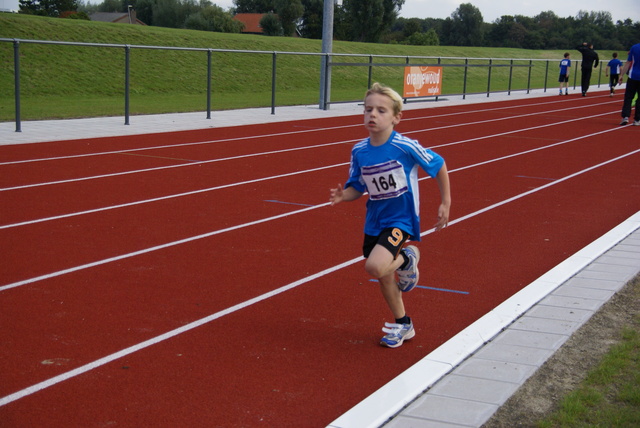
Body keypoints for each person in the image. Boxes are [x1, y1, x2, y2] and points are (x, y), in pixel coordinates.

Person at [329, 82, 451, 348]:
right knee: (384, 277)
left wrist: (446, 202)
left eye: (381, 111)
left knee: (374, 267)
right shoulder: (359, 150)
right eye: (368, 109)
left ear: (396, 117)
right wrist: (343, 195)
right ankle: (403, 324)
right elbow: (356, 187)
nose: (372, 115)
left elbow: (439, 165)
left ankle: (408, 257)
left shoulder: (405, 147)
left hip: (401, 219)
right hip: (375, 220)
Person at [619, 42, 640, 126]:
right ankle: (637, 119)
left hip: (633, 76)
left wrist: (621, 75)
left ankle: (625, 116)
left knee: (628, 97)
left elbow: (628, 62)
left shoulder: (634, 47)